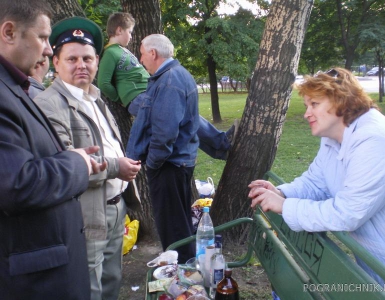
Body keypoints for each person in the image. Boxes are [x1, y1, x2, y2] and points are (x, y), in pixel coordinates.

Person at [248, 68, 385, 295]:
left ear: (341, 101)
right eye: (306, 105)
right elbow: (316, 183)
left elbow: (348, 213)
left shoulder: (376, 140)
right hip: (378, 267)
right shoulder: (335, 137)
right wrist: (281, 193)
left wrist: (285, 206)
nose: (307, 113)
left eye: (314, 104)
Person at [0, 1, 107, 299]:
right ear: (9, 32)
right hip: (33, 275)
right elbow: (15, 183)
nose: (48, 50)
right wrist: (76, 162)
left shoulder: (14, 87)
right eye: (43, 37)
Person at [33, 17, 141, 300]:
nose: (81, 64)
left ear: (96, 62)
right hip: (86, 212)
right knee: (89, 286)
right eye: (72, 59)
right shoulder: (48, 105)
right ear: (56, 62)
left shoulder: (94, 97)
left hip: (116, 208)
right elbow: (63, 165)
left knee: (111, 281)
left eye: (88, 58)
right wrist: (117, 166)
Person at [97, 12, 236, 160]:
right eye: (129, 32)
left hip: (149, 94)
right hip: (138, 98)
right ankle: (222, 143)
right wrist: (121, 99)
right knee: (183, 115)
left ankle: (220, 149)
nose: (131, 36)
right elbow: (103, 83)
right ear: (119, 30)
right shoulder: (110, 53)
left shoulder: (121, 50)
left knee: (185, 118)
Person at [126, 34, 199, 263]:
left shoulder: (169, 81)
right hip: (175, 163)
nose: (140, 59)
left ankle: (180, 275)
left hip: (169, 165)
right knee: (177, 221)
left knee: (173, 225)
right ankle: (184, 268)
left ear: (153, 54)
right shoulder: (173, 76)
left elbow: (165, 133)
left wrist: (153, 163)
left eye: (141, 53)